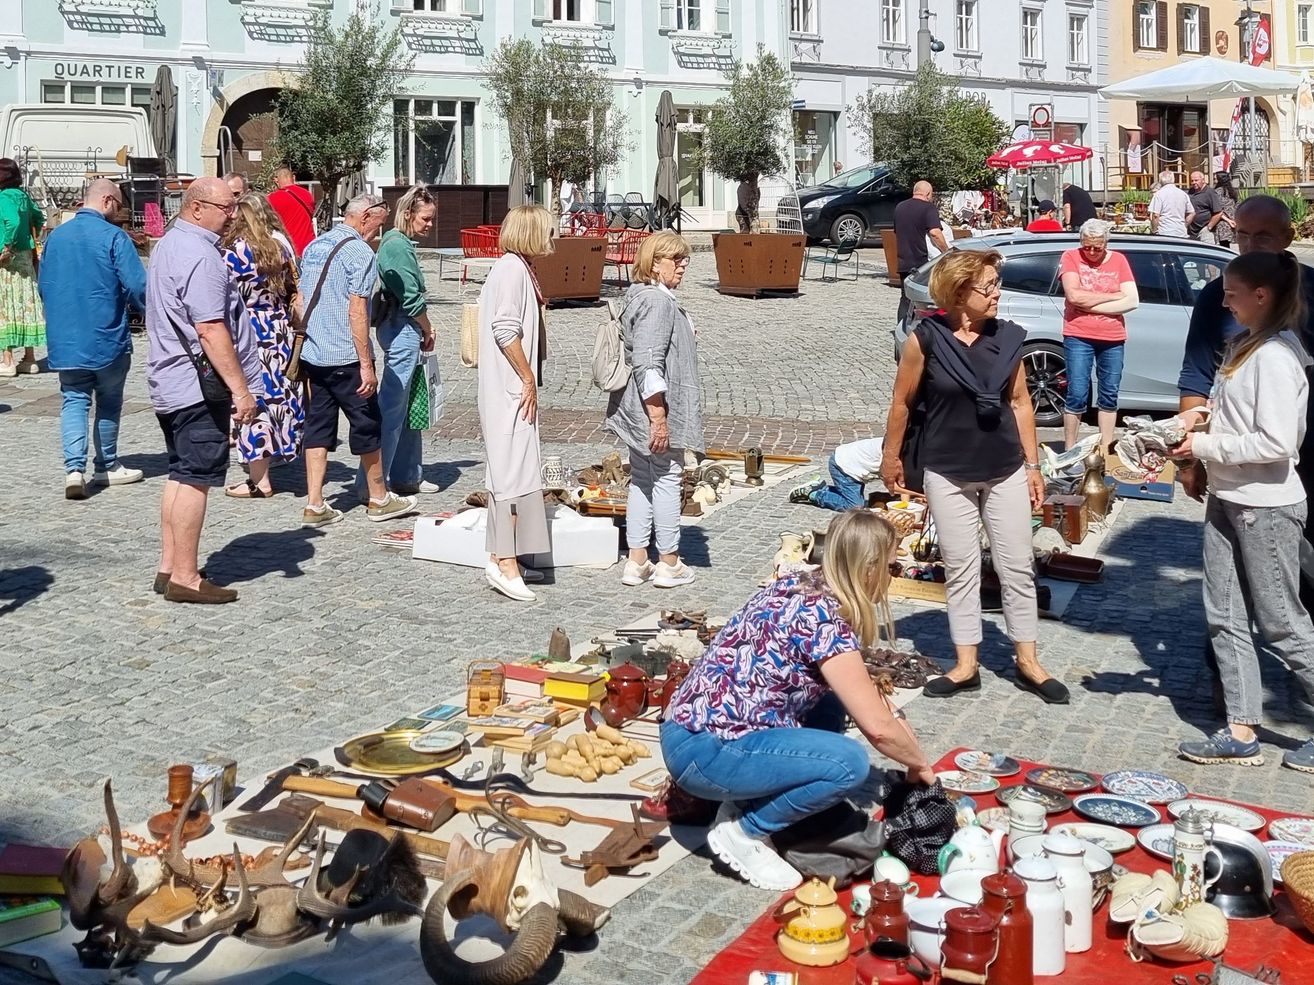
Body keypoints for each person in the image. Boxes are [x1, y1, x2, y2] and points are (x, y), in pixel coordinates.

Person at [661, 510, 936, 892]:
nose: (895, 575)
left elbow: (873, 701)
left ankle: (747, 799)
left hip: (692, 731)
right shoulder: (825, 621)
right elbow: (878, 728)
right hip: (707, 751)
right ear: (869, 567)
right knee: (849, 763)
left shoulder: (801, 584)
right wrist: (919, 763)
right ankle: (745, 833)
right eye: (891, 566)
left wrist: (911, 751)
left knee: (832, 701)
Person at [881, 248, 1066, 703]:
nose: (997, 293)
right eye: (989, 287)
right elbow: (902, 402)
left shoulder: (1008, 339)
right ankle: (966, 664)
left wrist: (1034, 464)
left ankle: (1028, 660)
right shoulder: (924, 340)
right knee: (960, 569)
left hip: (1004, 467)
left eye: (996, 284)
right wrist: (891, 457)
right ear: (959, 292)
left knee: (1017, 566)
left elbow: (1021, 402)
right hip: (947, 468)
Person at [1172, 251, 1314, 773]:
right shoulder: (1247, 345)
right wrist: (1198, 422)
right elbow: (1234, 413)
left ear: (1262, 296)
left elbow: (1277, 442)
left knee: (1281, 623)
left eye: (1231, 291)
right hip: (1231, 498)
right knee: (1224, 615)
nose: (1222, 297)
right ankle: (1240, 728)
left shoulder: (1277, 356)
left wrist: (1205, 449)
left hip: (1267, 507)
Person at [1178, 194, 1314, 611]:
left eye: (1263, 237)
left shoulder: (1313, 290)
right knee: (1228, 591)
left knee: (1299, 586)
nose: (1251, 246)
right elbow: (1196, 375)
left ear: (1289, 237)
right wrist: (1189, 460)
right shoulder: (1220, 295)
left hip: (1303, 458)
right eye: (1242, 236)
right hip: (1240, 466)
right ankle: (1227, 669)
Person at [145, 177, 262, 604]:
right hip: (197, 387)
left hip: (170, 380)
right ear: (197, 208)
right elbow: (211, 329)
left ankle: (168, 565)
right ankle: (186, 577)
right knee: (196, 478)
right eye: (227, 207)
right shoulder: (200, 255)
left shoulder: (171, 244)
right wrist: (241, 390)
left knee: (180, 474)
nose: (233, 215)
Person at [297, 193, 418, 528]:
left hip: (313, 354)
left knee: (318, 427)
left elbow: (300, 301)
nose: (377, 232)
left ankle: (315, 503)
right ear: (366, 215)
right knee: (367, 422)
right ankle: (379, 498)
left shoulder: (314, 246)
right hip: (344, 355)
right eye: (378, 223)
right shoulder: (359, 252)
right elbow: (357, 311)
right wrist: (367, 363)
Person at [39, 178, 147, 499]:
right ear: (108, 201)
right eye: (119, 205)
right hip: (106, 336)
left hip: (65, 338)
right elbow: (138, 286)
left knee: (73, 399)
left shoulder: (55, 238)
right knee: (109, 401)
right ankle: (106, 465)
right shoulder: (115, 237)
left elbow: (44, 285)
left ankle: (74, 470)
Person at [606, 231, 702, 590]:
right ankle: (669, 563)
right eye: (675, 260)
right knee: (665, 478)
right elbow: (648, 362)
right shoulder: (657, 302)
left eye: (684, 259)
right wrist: (659, 418)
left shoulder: (641, 296)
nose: (682, 266)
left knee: (644, 479)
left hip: (638, 405)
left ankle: (637, 561)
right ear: (654, 263)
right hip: (653, 407)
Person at [478, 205, 554, 602]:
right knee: (509, 475)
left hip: (510, 389)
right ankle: (504, 562)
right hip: (508, 389)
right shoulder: (511, 270)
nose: (553, 239)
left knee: (515, 471)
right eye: (547, 231)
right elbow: (505, 328)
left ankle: (505, 555)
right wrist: (527, 377)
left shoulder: (516, 267)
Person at [219, 193, 305, 499]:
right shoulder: (280, 246)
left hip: (249, 330)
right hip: (280, 329)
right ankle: (280, 453)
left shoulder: (233, 252)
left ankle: (260, 480)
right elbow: (295, 285)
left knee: (250, 400)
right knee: (278, 397)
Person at [361, 184, 439, 499]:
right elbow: (410, 298)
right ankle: (373, 484)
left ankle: (407, 474)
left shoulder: (399, 243)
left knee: (407, 406)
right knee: (393, 409)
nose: (430, 225)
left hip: (401, 326)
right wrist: (428, 328)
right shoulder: (396, 245)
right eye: (426, 218)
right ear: (409, 214)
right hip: (401, 327)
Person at [1058, 219, 1139, 451]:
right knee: (1077, 392)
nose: (1091, 252)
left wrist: (1089, 303)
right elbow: (1073, 296)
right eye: (1087, 246)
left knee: (1110, 392)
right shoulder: (1071, 257)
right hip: (1078, 333)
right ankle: (1070, 448)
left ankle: (1105, 448)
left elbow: (1132, 300)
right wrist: (1115, 296)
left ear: (1106, 243)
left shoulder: (1119, 260)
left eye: (1097, 247)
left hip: (1112, 336)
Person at [0, 158, 47, 377]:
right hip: (26, 256)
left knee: (5, 305)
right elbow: (39, 218)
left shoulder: (3, 198)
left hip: (7, 259)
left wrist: (7, 245)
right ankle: (30, 358)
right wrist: (30, 238)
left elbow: (12, 221)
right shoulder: (23, 196)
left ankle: (7, 359)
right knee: (26, 302)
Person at [790, 437, 882, 511]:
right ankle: (814, 493)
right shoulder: (891, 452)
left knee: (859, 501)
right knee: (855, 507)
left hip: (854, 465)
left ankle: (823, 488)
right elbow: (891, 482)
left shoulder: (893, 444)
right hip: (843, 466)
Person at [893, 181, 946, 281]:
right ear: (928, 194)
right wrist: (946, 251)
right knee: (923, 294)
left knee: (907, 295)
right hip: (922, 264)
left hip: (904, 263)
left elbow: (897, 232)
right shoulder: (928, 208)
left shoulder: (899, 207)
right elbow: (935, 234)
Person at [267, 168, 316, 257]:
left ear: (276, 181)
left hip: (288, 248)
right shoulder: (307, 194)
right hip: (309, 247)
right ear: (293, 177)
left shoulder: (272, 199)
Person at [1187, 170, 1228, 244]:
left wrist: (1209, 227)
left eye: (1196, 180)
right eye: (1192, 181)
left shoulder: (1210, 192)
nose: (1194, 183)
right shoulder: (1191, 191)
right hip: (1191, 232)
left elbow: (1218, 212)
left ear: (1203, 180)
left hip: (1204, 231)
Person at [1149, 171, 1193, 238]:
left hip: (1164, 232)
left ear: (1160, 180)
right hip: (1181, 232)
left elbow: (1155, 215)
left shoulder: (1159, 194)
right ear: (1173, 179)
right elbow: (1192, 213)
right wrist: (1184, 225)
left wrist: (1154, 231)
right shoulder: (1183, 194)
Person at [1213, 172, 1238, 249]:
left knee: (1223, 246)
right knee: (1227, 245)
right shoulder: (1233, 192)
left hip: (1222, 222)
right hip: (1233, 221)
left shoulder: (1217, 192)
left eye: (1215, 179)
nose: (1214, 180)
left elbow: (1217, 208)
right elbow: (1237, 205)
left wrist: (1227, 220)